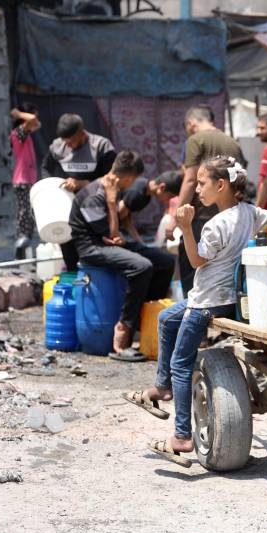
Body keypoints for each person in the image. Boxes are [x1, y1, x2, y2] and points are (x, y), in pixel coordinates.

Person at [122, 156, 267, 465]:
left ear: (221, 186)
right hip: (224, 298)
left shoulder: (216, 224)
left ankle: (181, 436)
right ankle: (161, 388)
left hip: (205, 302)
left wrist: (186, 228)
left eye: (202, 184)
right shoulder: (249, 212)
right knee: (166, 318)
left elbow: (196, 261)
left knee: (181, 363)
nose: (197, 189)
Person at [68, 150, 175, 362]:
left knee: (165, 261)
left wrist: (117, 234)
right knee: (142, 266)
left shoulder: (113, 189)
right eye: (133, 180)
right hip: (91, 248)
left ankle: (144, 323)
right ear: (127, 177)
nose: (132, 184)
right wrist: (110, 203)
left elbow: (115, 235)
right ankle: (124, 327)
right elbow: (110, 234)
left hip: (108, 243)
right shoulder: (94, 194)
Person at [176, 105, 246, 296]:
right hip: (231, 217)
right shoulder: (232, 143)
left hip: (200, 217)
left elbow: (190, 180)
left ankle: (192, 317)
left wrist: (178, 214)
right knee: (227, 271)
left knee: (194, 273)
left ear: (191, 123)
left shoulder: (195, 140)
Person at [41, 113, 118, 269]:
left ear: (82, 134)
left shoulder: (101, 147)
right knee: (69, 252)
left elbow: (112, 179)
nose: (68, 146)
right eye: (65, 142)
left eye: (72, 142)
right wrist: (52, 188)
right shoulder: (57, 147)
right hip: (68, 210)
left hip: (95, 210)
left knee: (97, 255)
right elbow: (46, 169)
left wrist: (85, 184)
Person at [118, 170, 183, 243]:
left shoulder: (146, 194)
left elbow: (126, 218)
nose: (168, 201)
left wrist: (138, 240)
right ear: (162, 187)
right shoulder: (138, 192)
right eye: (170, 196)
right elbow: (117, 214)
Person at [10, 104, 40, 259]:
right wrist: (20, 113)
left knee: (30, 215)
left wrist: (27, 116)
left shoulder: (26, 134)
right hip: (22, 180)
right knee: (24, 215)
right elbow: (33, 119)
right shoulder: (18, 133)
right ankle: (20, 249)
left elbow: (36, 123)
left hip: (29, 179)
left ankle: (24, 246)